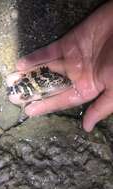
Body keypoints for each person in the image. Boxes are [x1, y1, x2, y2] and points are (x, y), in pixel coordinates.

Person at [7, 1, 113, 132]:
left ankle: (16, 90)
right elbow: (44, 86)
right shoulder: (50, 82)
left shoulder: (54, 81)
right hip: (34, 84)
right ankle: (15, 90)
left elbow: (45, 85)